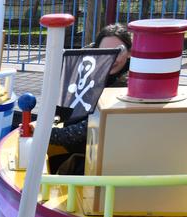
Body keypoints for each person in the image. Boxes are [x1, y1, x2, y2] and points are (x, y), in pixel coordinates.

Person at [48, 23, 132, 170]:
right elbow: (64, 109)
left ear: (130, 53)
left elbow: (92, 126)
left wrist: (50, 134)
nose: (112, 58)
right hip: (84, 148)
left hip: (105, 156)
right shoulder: (91, 73)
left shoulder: (127, 84)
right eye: (105, 51)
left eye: (118, 51)